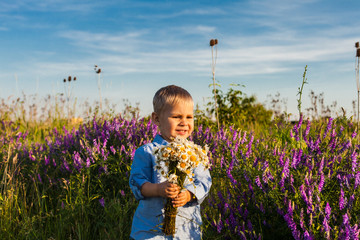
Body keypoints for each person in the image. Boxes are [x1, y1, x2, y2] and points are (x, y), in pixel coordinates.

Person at [129, 85, 212, 239]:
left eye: (189, 117)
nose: (184, 122)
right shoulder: (146, 152)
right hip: (150, 232)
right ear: (157, 119)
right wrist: (157, 189)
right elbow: (137, 182)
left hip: (186, 231)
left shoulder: (195, 153)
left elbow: (204, 182)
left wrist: (188, 195)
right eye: (176, 117)